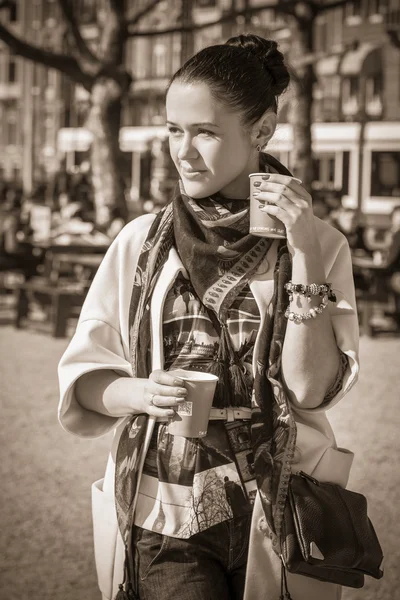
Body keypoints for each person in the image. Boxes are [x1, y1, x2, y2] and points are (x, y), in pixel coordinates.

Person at [58, 35, 359, 600]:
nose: (183, 150)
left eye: (206, 132)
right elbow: (89, 378)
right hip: (164, 507)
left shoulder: (320, 245)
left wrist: (305, 256)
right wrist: (143, 394)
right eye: (174, 129)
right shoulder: (139, 242)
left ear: (262, 131)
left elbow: (310, 389)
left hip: (281, 509)